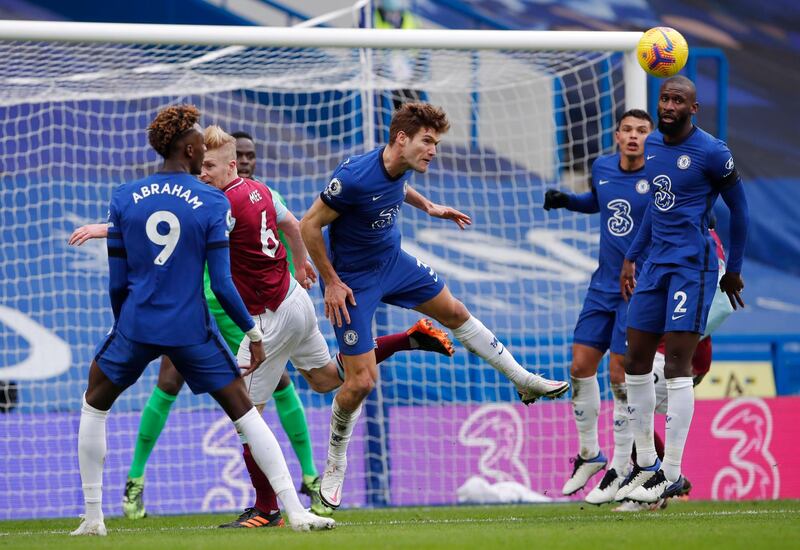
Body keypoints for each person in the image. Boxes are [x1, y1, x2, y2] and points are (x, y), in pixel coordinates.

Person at [69, 128, 454, 527]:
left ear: (230, 165)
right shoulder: (262, 190)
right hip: (295, 299)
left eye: (210, 167)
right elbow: (294, 223)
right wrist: (302, 262)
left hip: (268, 316)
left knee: (246, 414)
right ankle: (408, 338)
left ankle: (268, 508)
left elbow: (181, 235)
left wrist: (109, 229)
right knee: (325, 379)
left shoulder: (222, 205)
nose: (203, 174)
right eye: (201, 166)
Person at [70, 104, 334, 536]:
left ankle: (94, 517)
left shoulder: (123, 197)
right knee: (246, 413)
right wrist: (252, 332)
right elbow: (224, 285)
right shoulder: (212, 200)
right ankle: (295, 510)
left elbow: (117, 283)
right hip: (191, 326)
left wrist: (124, 325)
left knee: (94, 405)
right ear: (191, 149)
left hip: (137, 322)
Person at [300, 102, 569, 509]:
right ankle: (335, 464)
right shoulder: (353, 177)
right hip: (353, 282)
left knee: (456, 312)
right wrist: (332, 283)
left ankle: (523, 379)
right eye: (428, 141)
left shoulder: (401, 167)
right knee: (359, 382)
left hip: (393, 263)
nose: (434, 150)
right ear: (402, 139)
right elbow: (309, 225)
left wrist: (429, 207)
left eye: (437, 143)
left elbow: (396, 188)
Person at [614, 76, 749, 503]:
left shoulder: (712, 152)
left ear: (694, 109)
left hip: (694, 265)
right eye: (665, 98)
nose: (669, 105)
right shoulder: (652, 145)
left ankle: (670, 470)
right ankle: (648, 467)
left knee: (677, 362)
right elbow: (658, 205)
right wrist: (632, 255)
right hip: (655, 264)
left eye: (679, 100)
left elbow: (740, 210)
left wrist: (736, 269)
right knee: (633, 358)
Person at [543, 109, 654, 504]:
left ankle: (624, 467)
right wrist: (568, 201)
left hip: (637, 289)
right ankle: (590, 454)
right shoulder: (602, 166)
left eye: (642, 131)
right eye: (628, 129)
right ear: (617, 134)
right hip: (602, 283)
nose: (634, 136)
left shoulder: (659, 177)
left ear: (650, 137)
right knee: (579, 366)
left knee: (619, 373)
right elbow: (600, 202)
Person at [615, 226, 732, 512]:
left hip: (679, 355)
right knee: (629, 406)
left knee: (628, 406)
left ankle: (658, 484)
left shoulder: (700, 240)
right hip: (675, 353)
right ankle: (666, 478)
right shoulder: (686, 236)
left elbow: (719, 302)